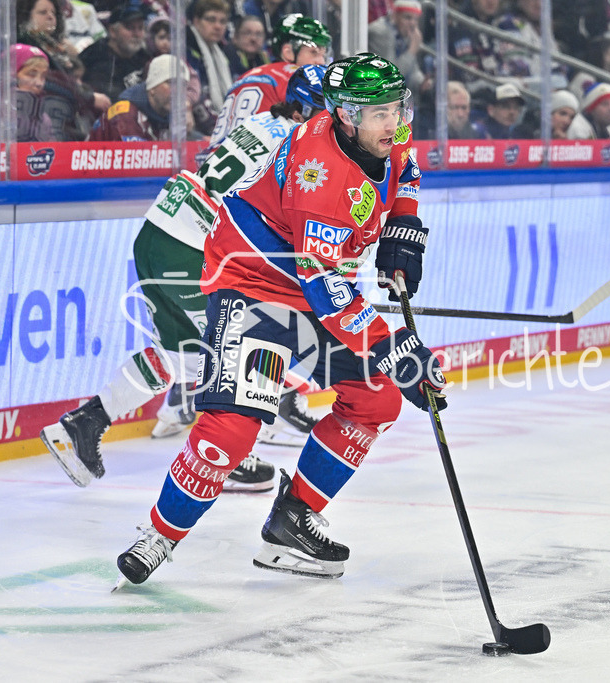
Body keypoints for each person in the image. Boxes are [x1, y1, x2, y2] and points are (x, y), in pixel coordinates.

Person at [112, 53, 446, 585]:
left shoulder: (382, 134)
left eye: (396, 108)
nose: (394, 122)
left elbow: (406, 169)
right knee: (232, 430)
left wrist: (404, 228)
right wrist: (398, 347)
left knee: (375, 399)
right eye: (379, 112)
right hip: (257, 287)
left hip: (312, 283)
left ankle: (291, 519)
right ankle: (160, 536)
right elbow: (328, 293)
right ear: (344, 114)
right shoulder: (321, 174)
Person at [41, 63, 331, 495]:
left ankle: (82, 426)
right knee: (236, 347)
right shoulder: (298, 144)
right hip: (194, 245)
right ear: (310, 108)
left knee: (183, 357)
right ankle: (226, 457)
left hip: (160, 230)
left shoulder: (260, 122)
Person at [208, 13, 329, 146]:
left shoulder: (252, 74)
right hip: (260, 158)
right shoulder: (297, 79)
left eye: (323, 54)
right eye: (314, 53)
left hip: (219, 156)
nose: (321, 61)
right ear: (288, 52)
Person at [17, 0, 110, 141]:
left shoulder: (55, 47)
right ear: (26, 17)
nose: (50, 17)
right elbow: (49, 81)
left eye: (53, 12)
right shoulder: (24, 44)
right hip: (44, 118)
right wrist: (88, 97)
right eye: (43, 12)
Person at [87, 53, 200, 142]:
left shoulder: (172, 113)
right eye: (170, 83)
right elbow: (136, 164)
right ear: (152, 88)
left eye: (183, 85)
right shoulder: (125, 113)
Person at [79, 1, 150, 103]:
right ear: (112, 31)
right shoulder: (96, 58)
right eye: (130, 28)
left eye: (140, 28)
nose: (137, 34)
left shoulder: (143, 56)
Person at [185, 0, 234, 133]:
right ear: (196, 21)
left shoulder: (223, 54)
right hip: (194, 129)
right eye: (211, 19)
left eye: (223, 21)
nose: (218, 26)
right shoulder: (185, 50)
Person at [368, 0, 426, 94]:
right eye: (408, 18)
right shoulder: (380, 32)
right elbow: (390, 76)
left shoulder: (405, 33)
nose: (412, 23)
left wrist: (423, 82)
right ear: (395, 16)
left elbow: (413, 70)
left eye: (416, 19)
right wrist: (412, 50)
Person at [14, 43, 55, 142]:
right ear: (12, 75)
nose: (39, 83)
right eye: (31, 74)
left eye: (43, 76)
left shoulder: (44, 119)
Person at [224, 14, 269, 79]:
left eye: (258, 34)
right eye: (247, 33)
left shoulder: (264, 60)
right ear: (235, 36)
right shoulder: (227, 58)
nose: (253, 38)